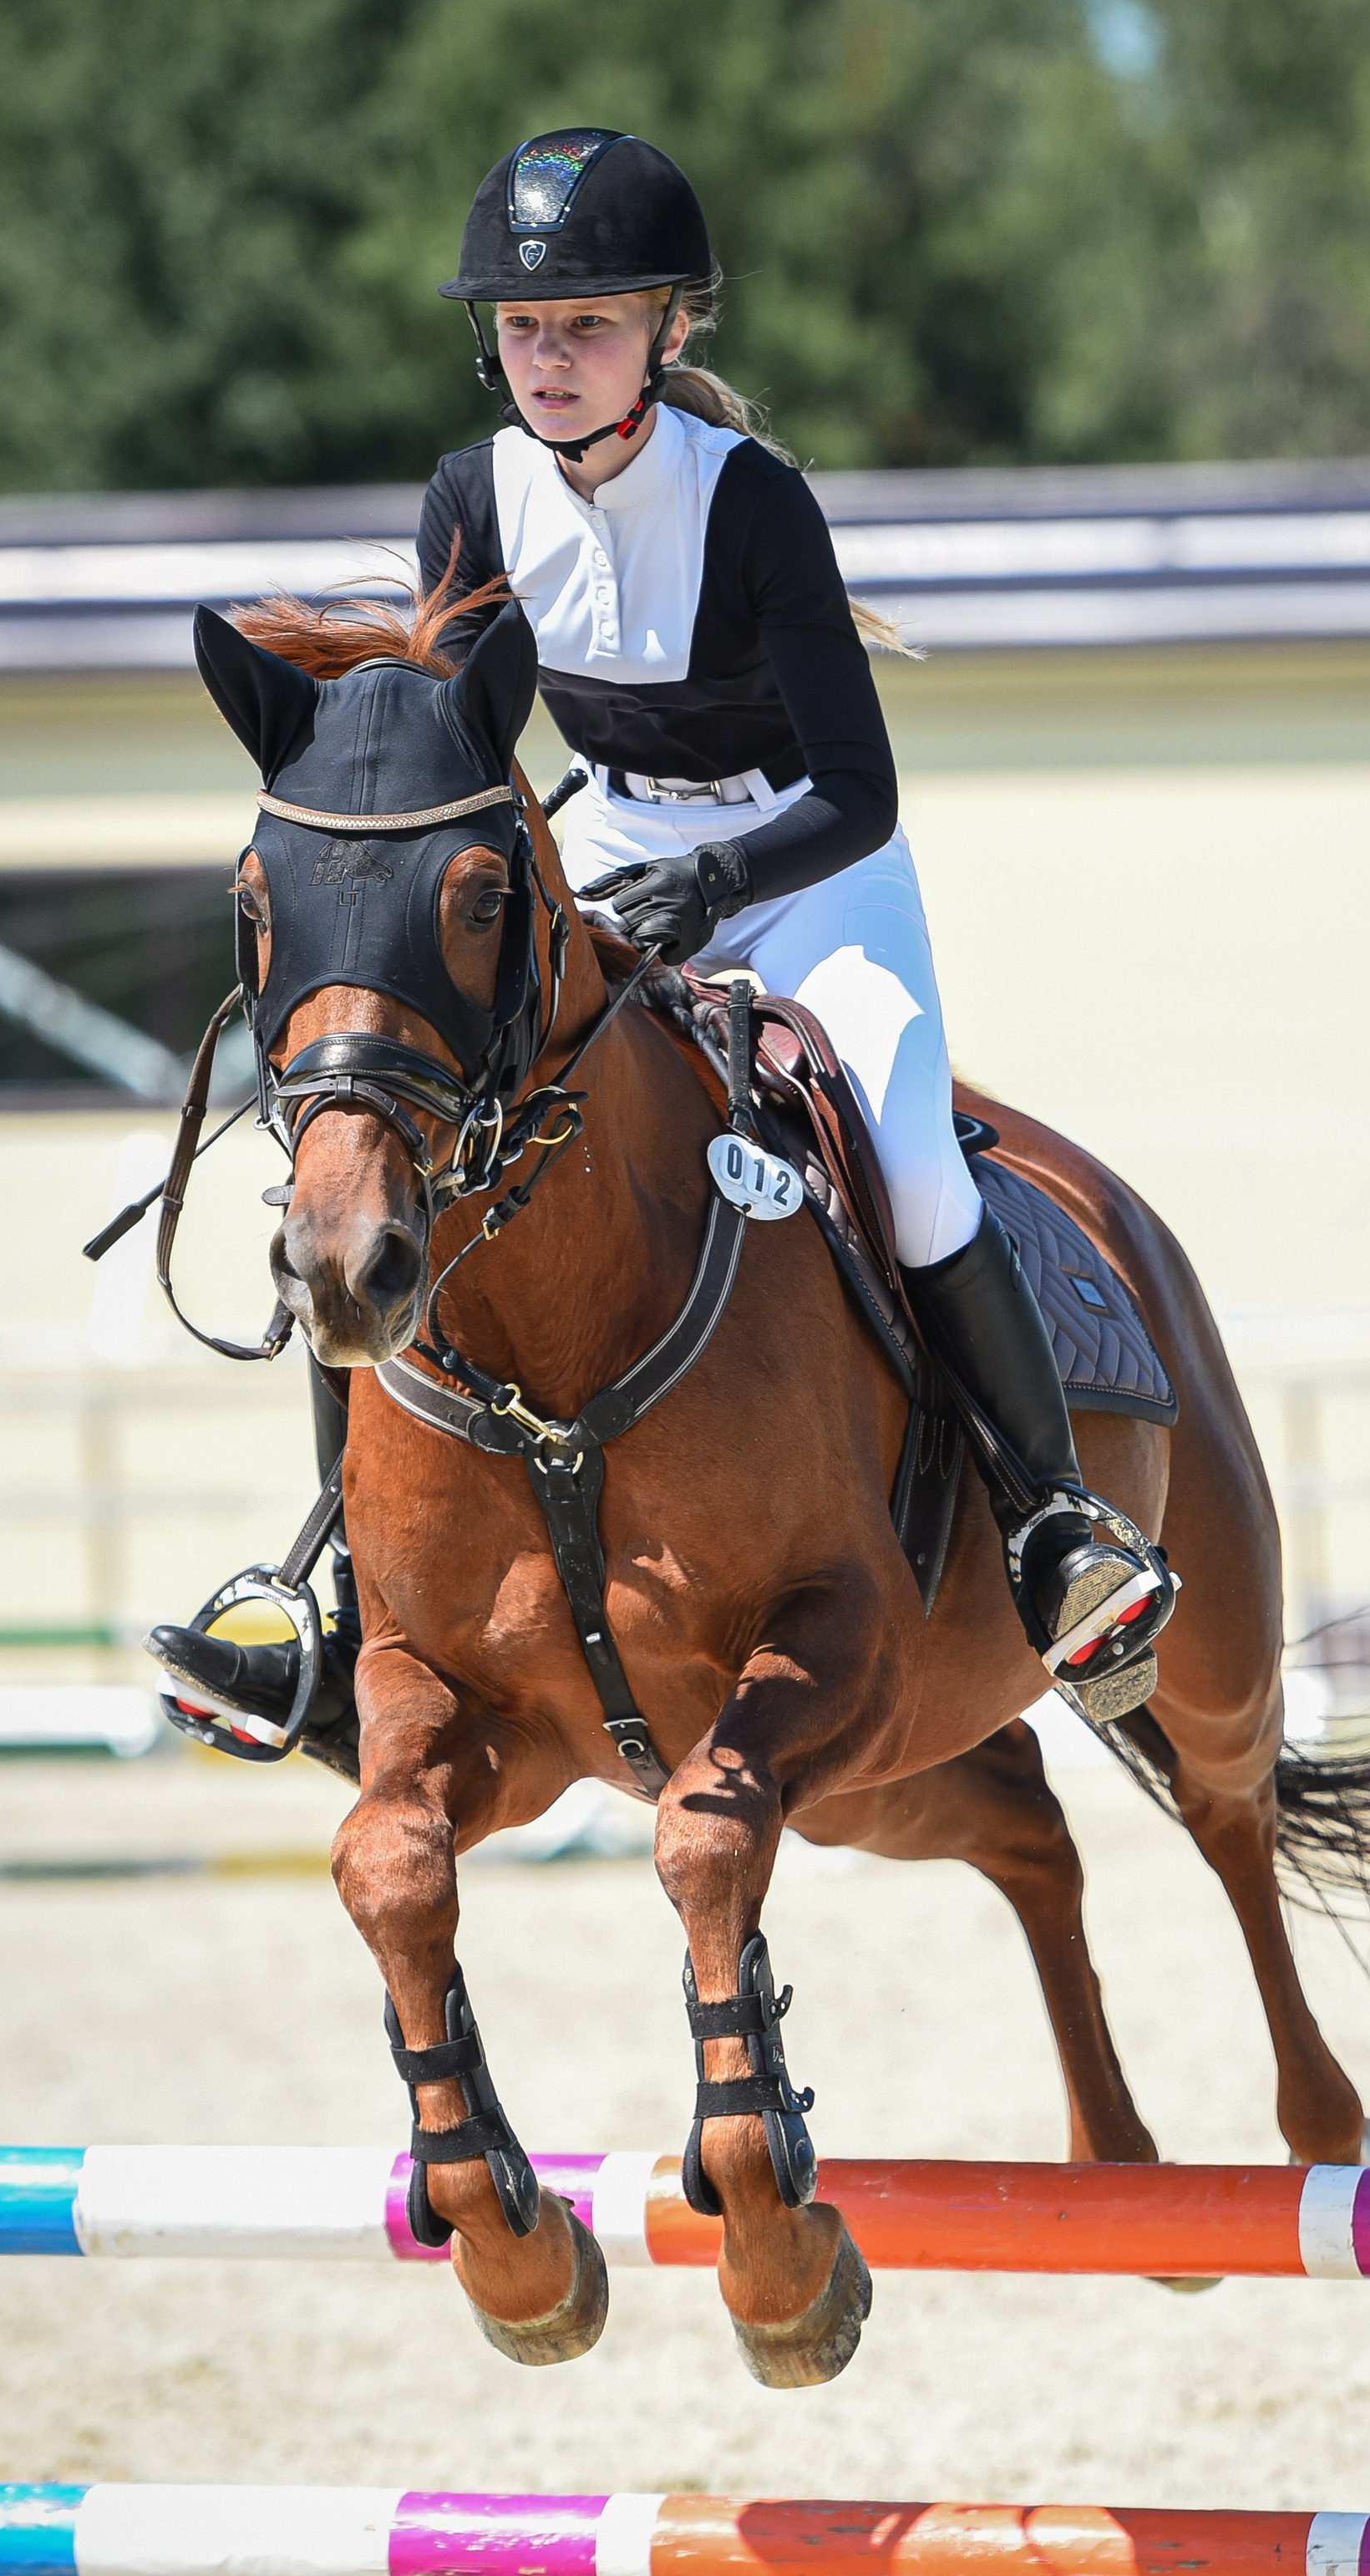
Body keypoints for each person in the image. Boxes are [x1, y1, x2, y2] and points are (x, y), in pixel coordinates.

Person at [150, 127, 1165, 1772]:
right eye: (521, 332)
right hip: (609, 837)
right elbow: (454, 746)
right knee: (401, 1150)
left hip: (807, 862)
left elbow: (857, 786)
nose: (546, 362)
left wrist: (717, 890)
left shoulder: (750, 501)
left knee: (908, 1152)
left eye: (586, 328)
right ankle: (329, 1595)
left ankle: (1054, 1526)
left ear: (666, 334)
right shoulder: (468, 496)